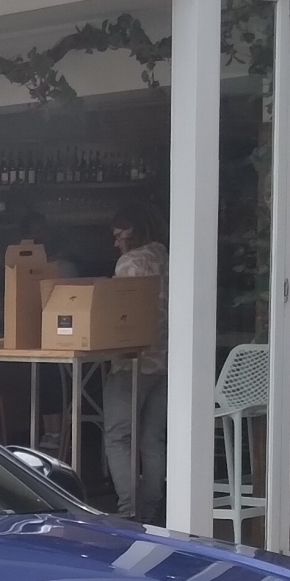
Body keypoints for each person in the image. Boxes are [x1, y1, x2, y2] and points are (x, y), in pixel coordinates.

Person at [103, 216, 169, 522]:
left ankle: (129, 510)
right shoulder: (167, 255)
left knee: (118, 436)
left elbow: (119, 312)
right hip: (167, 358)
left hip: (134, 360)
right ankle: (152, 507)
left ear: (134, 235)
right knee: (153, 439)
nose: (116, 244)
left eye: (120, 236)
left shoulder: (129, 263)